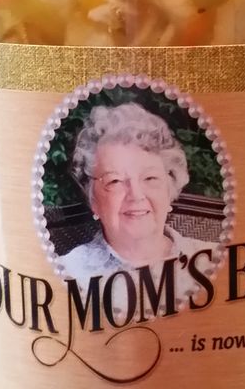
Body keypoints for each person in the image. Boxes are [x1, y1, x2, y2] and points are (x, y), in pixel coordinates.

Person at [57, 101, 207, 288]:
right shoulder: (68, 273)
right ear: (93, 199)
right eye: (115, 181)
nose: (136, 195)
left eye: (150, 178)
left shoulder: (211, 258)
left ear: (169, 189)